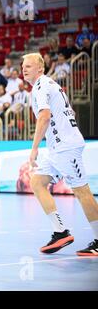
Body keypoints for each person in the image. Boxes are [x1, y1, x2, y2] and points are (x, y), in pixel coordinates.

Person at [23, 52, 98, 256]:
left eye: (29, 65)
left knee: (82, 192)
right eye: (23, 66)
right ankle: (60, 231)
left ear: (40, 68)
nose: (24, 69)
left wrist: (34, 147)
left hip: (66, 148)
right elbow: (68, 112)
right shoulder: (49, 85)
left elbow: (44, 116)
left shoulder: (41, 85)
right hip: (57, 148)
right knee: (37, 182)